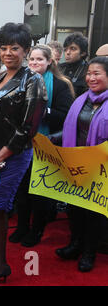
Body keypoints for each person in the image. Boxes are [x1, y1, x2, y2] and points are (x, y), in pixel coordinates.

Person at [0, 23, 47, 286]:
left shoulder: (33, 81)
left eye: (14, 48)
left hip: (11, 154)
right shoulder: (0, 77)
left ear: (26, 50)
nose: (8, 52)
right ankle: (0, 266)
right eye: (3, 48)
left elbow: (28, 128)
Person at [9, 44, 74, 247]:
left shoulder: (60, 85)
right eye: (32, 60)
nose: (35, 63)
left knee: (40, 192)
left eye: (39, 59)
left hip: (46, 145)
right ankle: (21, 227)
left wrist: (39, 111)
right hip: (21, 144)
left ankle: (36, 230)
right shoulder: (20, 81)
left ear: (49, 62)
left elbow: (66, 117)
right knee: (22, 189)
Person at [55, 56, 108, 272]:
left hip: (100, 169)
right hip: (76, 164)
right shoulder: (81, 100)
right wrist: (53, 139)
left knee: (93, 213)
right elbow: (71, 128)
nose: (91, 78)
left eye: (97, 74)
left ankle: (89, 252)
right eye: (89, 73)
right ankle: (74, 245)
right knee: (74, 208)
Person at [59, 32, 89, 97]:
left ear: (83, 53)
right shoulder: (59, 68)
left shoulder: (88, 70)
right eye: (65, 49)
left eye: (73, 49)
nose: (67, 52)